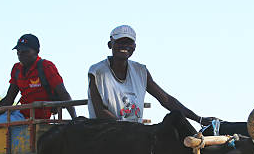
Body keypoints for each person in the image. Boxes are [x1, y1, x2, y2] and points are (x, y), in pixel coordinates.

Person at [88, 25, 216, 125]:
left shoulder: (140, 71)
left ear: (134, 47)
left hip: (132, 135)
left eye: (128, 43)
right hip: (106, 135)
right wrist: (128, 129)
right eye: (120, 42)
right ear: (110, 44)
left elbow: (166, 99)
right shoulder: (97, 72)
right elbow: (100, 112)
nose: (124, 46)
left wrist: (199, 119)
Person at [0, 34, 77, 123]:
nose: (20, 54)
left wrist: (75, 119)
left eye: (25, 51)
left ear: (36, 51)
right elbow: (9, 98)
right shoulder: (16, 69)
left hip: (38, 118)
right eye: (18, 51)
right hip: (20, 114)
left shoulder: (46, 66)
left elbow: (63, 93)